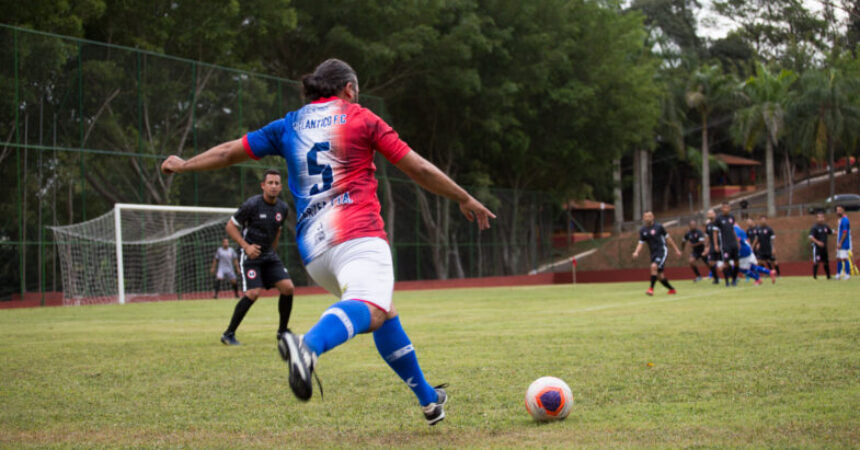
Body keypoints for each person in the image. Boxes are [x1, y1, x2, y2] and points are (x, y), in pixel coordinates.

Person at [161, 58, 495, 425]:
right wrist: (463, 196)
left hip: (315, 253)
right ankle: (307, 347)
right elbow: (417, 167)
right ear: (349, 88)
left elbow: (228, 152)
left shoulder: (289, 124)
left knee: (383, 314)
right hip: (358, 235)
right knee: (373, 307)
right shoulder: (361, 117)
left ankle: (429, 400)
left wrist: (184, 164)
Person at [221, 169, 296, 345]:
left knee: (288, 288)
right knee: (253, 293)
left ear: (280, 186)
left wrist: (273, 251)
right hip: (250, 256)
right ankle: (228, 334)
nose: (273, 186)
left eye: (277, 183)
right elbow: (230, 226)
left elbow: (278, 230)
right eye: (270, 183)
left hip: (269, 256)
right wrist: (246, 247)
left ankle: (282, 332)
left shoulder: (282, 208)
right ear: (263, 185)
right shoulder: (252, 205)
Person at [632, 211, 682, 296]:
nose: (648, 218)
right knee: (659, 276)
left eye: (650, 216)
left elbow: (668, 239)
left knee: (653, 266)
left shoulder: (659, 227)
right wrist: (636, 252)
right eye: (646, 217)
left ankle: (651, 289)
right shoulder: (643, 230)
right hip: (653, 253)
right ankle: (672, 289)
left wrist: (676, 250)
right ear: (643, 218)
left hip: (662, 251)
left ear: (653, 217)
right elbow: (640, 243)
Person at [712, 202, 740, 286]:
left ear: (730, 208)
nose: (726, 209)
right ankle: (727, 281)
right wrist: (716, 244)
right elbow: (715, 232)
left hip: (733, 243)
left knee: (737, 262)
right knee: (726, 263)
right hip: (725, 244)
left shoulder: (732, 217)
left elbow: (732, 230)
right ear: (722, 209)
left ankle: (734, 280)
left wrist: (737, 241)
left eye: (728, 207)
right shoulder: (718, 219)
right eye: (724, 208)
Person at [808, 212, 834, 280]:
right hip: (817, 248)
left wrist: (839, 233)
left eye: (822, 217)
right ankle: (815, 277)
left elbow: (831, 232)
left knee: (826, 262)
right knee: (817, 262)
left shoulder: (826, 226)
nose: (821, 219)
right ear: (817, 218)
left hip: (824, 248)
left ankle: (828, 276)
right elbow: (811, 237)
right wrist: (818, 242)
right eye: (819, 217)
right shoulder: (814, 227)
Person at [704, 210, 722, 285]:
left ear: (714, 214)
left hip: (721, 244)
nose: (709, 214)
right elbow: (707, 236)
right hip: (712, 245)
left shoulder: (719, 222)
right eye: (708, 213)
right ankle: (716, 279)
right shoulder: (708, 225)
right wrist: (706, 247)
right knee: (711, 262)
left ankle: (734, 277)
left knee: (726, 263)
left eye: (710, 213)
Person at [835, 205, 853, 280]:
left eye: (839, 210)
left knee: (845, 258)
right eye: (837, 210)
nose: (838, 211)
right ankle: (838, 274)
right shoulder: (841, 220)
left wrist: (840, 243)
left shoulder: (845, 220)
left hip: (844, 243)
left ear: (843, 210)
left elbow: (845, 233)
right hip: (840, 242)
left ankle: (847, 274)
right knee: (838, 258)